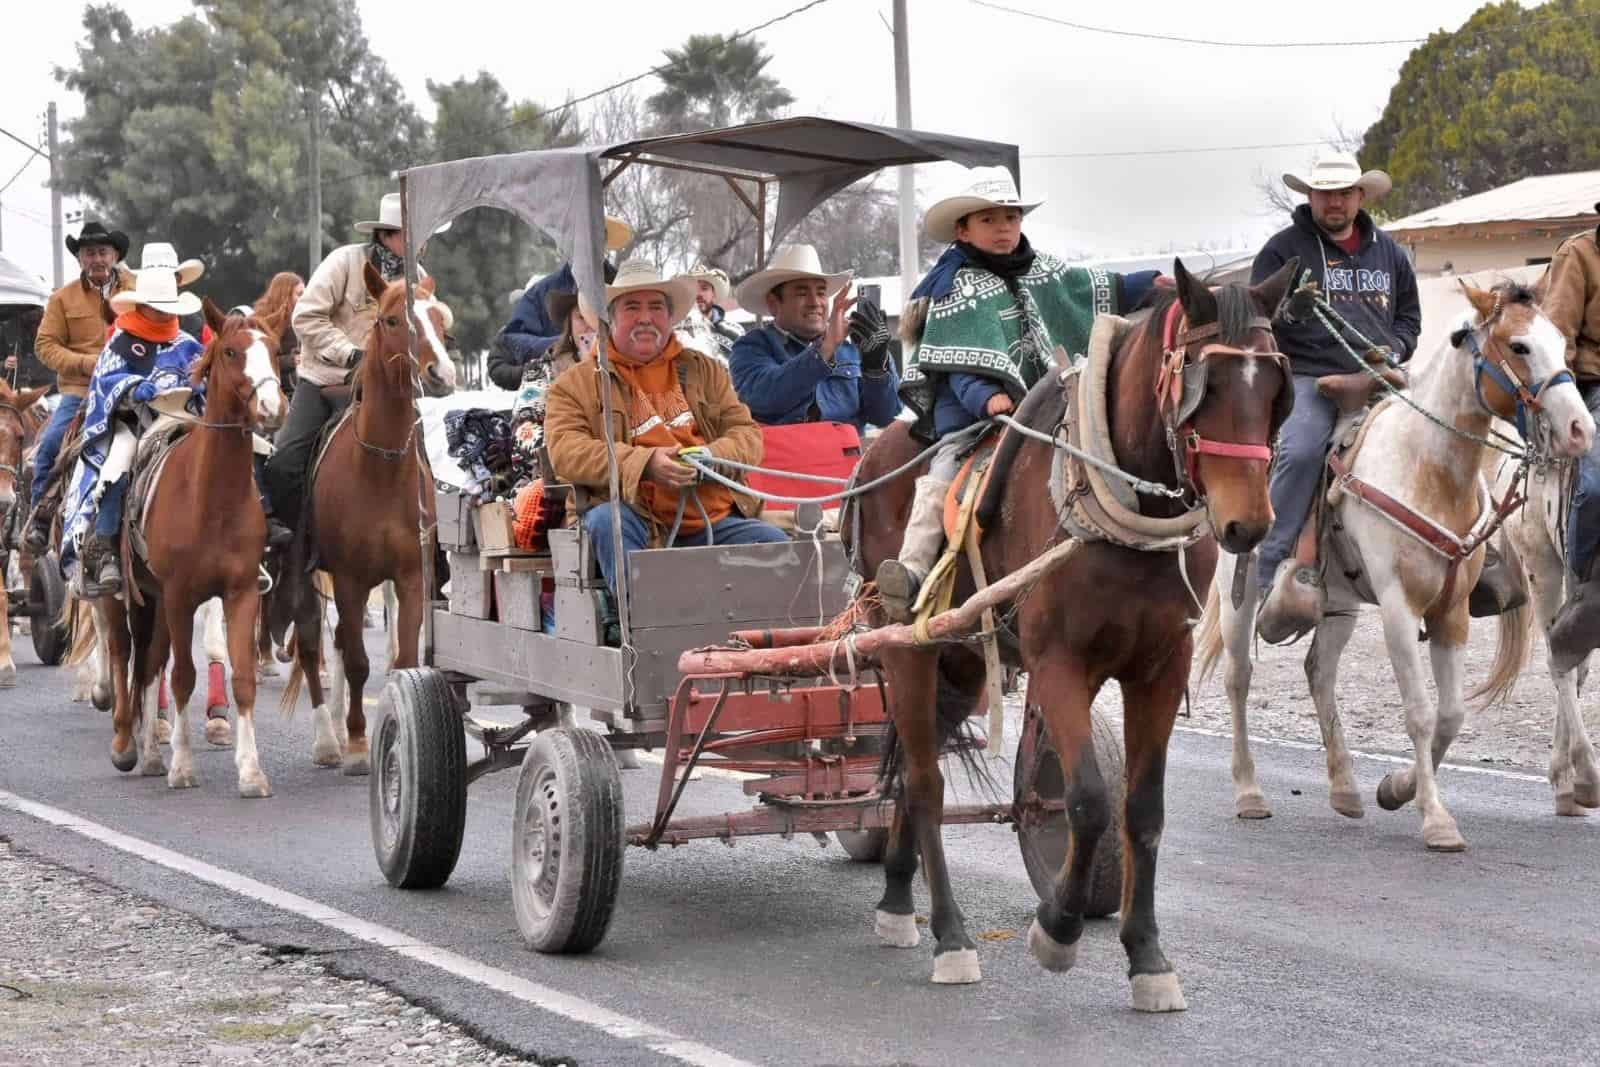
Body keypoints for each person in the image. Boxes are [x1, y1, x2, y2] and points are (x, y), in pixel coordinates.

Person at [874, 168, 1161, 622]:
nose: (1004, 227)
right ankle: (911, 567)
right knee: (944, 473)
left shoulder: (1045, 271)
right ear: (963, 230)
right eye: (989, 219)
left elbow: (1098, 288)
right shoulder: (954, 288)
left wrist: (1151, 283)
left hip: (1045, 410)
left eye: (1011, 216)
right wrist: (985, 396)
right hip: (974, 420)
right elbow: (954, 365)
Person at [1250, 151, 1421, 643]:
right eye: (1325, 193)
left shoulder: (1389, 252)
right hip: (1310, 377)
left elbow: (1410, 316)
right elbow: (1257, 314)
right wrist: (1292, 313)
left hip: (1381, 375)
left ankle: (1470, 556)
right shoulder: (1283, 251)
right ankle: (1271, 570)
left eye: (1344, 193)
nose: (1334, 202)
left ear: (1360, 196)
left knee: (1441, 434)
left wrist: (1395, 346)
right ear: (1310, 196)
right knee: (1302, 449)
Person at [543, 259, 786, 599]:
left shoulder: (706, 371)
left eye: (656, 306)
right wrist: (645, 465)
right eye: (632, 307)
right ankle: (642, 633)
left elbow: (748, 436)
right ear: (611, 317)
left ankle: (754, 646)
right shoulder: (575, 384)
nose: (645, 317)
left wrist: (711, 457)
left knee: (778, 547)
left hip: (712, 521)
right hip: (639, 522)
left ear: (670, 317)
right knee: (607, 522)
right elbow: (566, 453)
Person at [263, 194, 432, 538]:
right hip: (326, 381)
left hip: (394, 389)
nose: (419, 242)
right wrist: (351, 354)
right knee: (284, 463)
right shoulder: (343, 262)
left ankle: (435, 553)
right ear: (387, 235)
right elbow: (305, 317)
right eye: (410, 234)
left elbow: (430, 325)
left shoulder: (419, 277)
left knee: (440, 461)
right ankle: (298, 540)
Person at [62, 245, 206, 597]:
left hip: (183, 423)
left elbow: (205, 380)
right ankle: (106, 546)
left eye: (166, 307)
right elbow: (104, 381)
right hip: (134, 425)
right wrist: (132, 387)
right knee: (117, 463)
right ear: (142, 305)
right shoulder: (122, 342)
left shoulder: (187, 343)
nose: (161, 313)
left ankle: (243, 538)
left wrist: (200, 385)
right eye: (156, 307)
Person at [26, 221, 134, 552]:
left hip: (132, 385)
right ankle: (41, 516)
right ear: (80, 260)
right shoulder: (62, 299)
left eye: (102, 252)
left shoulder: (136, 290)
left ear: (114, 255)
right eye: (89, 253)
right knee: (50, 445)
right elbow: (45, 345)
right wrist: (87, 363)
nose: (97, 259)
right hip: (80, 391)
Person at [728, 244, 899, 432]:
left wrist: (876, 367)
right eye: (802, 293)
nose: (815, 302)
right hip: (784, 460)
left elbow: (886, 416)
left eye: (821, 293)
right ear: (773, 303)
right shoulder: (752, 347)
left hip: (848, 458)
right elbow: (764, 397)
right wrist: (825, 349)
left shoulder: (853, 349)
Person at [1539, 209, 1600, 671]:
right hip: (1593, 385)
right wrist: (1571, 408)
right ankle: (1584, 585)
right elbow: (1558, 336)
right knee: (1595, 485)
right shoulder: (1578, 254)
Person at [490, 216, 632, 388]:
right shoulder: (540, 293)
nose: (587, 243)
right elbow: (509, 344)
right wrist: (562, 347)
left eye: (596, 235)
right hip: (556, 399)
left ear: (604, 240)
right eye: (578, 236)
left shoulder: (626, 288)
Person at [673, 263, 743, 363]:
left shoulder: (735, 332)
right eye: (693, 290)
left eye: (704, 288)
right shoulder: (675, 334)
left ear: (713, 294)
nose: (698, 294)